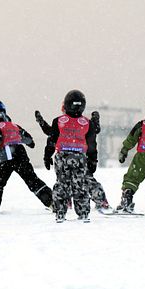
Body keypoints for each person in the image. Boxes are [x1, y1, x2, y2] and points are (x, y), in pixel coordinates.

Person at [0, 99, 53, 215]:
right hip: (21, 154)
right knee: (32, 180)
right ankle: (52, 202)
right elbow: (29, 139)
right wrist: (30, 143)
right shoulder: (15, 126)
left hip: (7, 156)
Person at [35, 108, 111, 212]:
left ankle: (100, 201)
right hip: (79, 157)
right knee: (77, 180)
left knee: (81, 180)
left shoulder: (75, 122)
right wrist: (42, 123)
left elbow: (93, 132)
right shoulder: (66, 123)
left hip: (77, 157)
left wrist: (95, 121)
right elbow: (51, 133)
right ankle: (70, 203)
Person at [43, 89, 98, 223]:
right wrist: (93, 160)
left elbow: (52, 140)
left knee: (62, 184)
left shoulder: (58, 121)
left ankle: (60, 212)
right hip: (80, 158)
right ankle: (83, 213)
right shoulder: (87, 123)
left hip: (62, 157)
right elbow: (91, 144)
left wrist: (47, 155)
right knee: (80, 185)